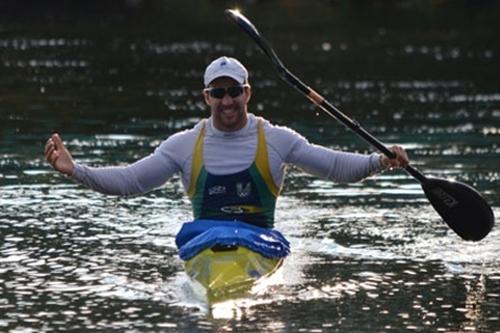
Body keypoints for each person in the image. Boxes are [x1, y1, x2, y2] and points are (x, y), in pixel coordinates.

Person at [45, 56, 409, 262]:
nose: (228, 100)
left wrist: (380, 160)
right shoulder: (185, 145)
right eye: (218, 92)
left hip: (261, 246)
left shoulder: (278, 140)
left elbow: (333, 167)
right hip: (205, 246)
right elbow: (130, 181)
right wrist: (75, 170)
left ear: (247, 92)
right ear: (207, 98)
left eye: (234, 90)